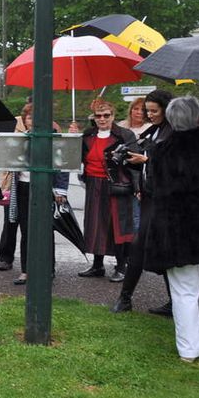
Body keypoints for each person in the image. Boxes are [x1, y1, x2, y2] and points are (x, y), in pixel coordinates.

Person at [140, 96, 199, 363]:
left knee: (184, 292)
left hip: (178, 231)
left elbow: (152, 189)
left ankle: (189, 350)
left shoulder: (160, 151)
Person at [112, 89, 174, 314]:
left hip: (165, 200)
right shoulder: (155, 130)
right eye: (148, 111)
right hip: (149, 195)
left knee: (143, 247)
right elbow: (148, 164)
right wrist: (134, 161)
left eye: (154, 111)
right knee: (159, 249)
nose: (150, 115)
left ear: (167, 109)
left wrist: (147, 159)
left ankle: (125, 298)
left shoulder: (176, 132)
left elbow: (176, 166)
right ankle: (168, 301)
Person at [72, 99, 137, 282]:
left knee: (116, 225)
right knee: (94, 225)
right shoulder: (88, 135)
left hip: (117, 185)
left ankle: (121, 266)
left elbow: (134, 163)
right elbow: (74, 157)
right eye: (98, 116)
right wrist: (73, 138)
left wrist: (137, 187)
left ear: (113, 116)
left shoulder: (125, 135)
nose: (102, 119)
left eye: (106, 115)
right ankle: (97, 265)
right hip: (93, 184)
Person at [4, 104, 69, 285]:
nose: (32, 120)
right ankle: (26, 270)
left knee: (47, 230)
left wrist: (60, 190)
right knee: (26, 230)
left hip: (45, 189)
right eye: (29, 117)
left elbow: (62, 165)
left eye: (36, 117)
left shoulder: (54, 139)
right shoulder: (21, 139)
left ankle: (48, 269)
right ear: (24, 120)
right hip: (24, 188)